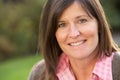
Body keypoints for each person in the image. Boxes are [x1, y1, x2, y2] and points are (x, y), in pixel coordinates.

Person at [28, 0, 120, 80]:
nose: (74, 33)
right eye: (62, 25)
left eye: (82, 21)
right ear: (53, 33)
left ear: (99, 24)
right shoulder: (40, 74)